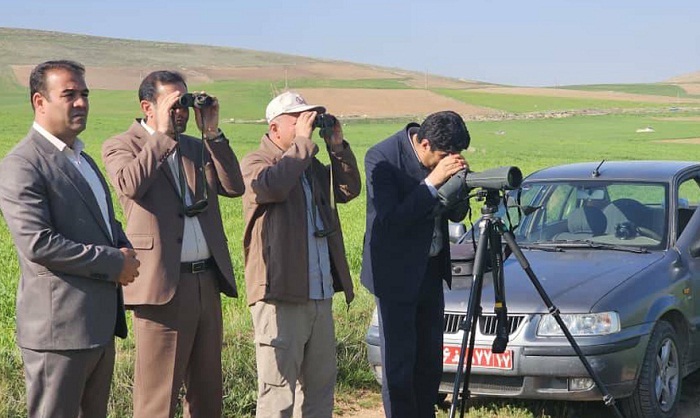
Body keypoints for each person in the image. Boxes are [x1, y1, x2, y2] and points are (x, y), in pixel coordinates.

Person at [0, 60, 140, 418]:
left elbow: (105, 223)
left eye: (84, 94)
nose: (80, 102)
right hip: (59, 334)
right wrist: (114, 263)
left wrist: (124, 247)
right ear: (39, 102)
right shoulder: (23, 164)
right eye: (69, 95)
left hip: (97, 328)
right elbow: (38, 243)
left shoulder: (83, 160)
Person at [101, 70, 244, 418]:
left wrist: (211, 132)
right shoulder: (122, 145)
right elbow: (130, 185)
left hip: (206, 281)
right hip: (162, 284)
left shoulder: (196, 147)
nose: (181, 110)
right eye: (173, 103)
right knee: (158, 397)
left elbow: (234, 186)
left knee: (208, 392)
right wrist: (163, 135)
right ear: (147, 106)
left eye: (185, 101)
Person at [241, 91, 361, 417]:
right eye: (299, 119)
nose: (307, 124)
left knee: (320, 390)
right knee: (278, 394)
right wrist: (304, 145)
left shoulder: (310, 167)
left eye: (310, 118)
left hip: (319, 293)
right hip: (280, 295)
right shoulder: (257, 163)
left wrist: (337, 145)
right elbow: (273, 187)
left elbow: (349, 190)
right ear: (275, 127)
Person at [360, 110, 471, 418]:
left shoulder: (440, 159)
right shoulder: (382, 158)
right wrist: (433, 182)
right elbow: (392, 220)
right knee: (399, 365)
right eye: (442, 156)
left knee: (429, 363)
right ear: (423, 144)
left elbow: (457, 215)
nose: (446, 162)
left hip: (431, 271)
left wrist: (458, 185)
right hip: (394, 275)